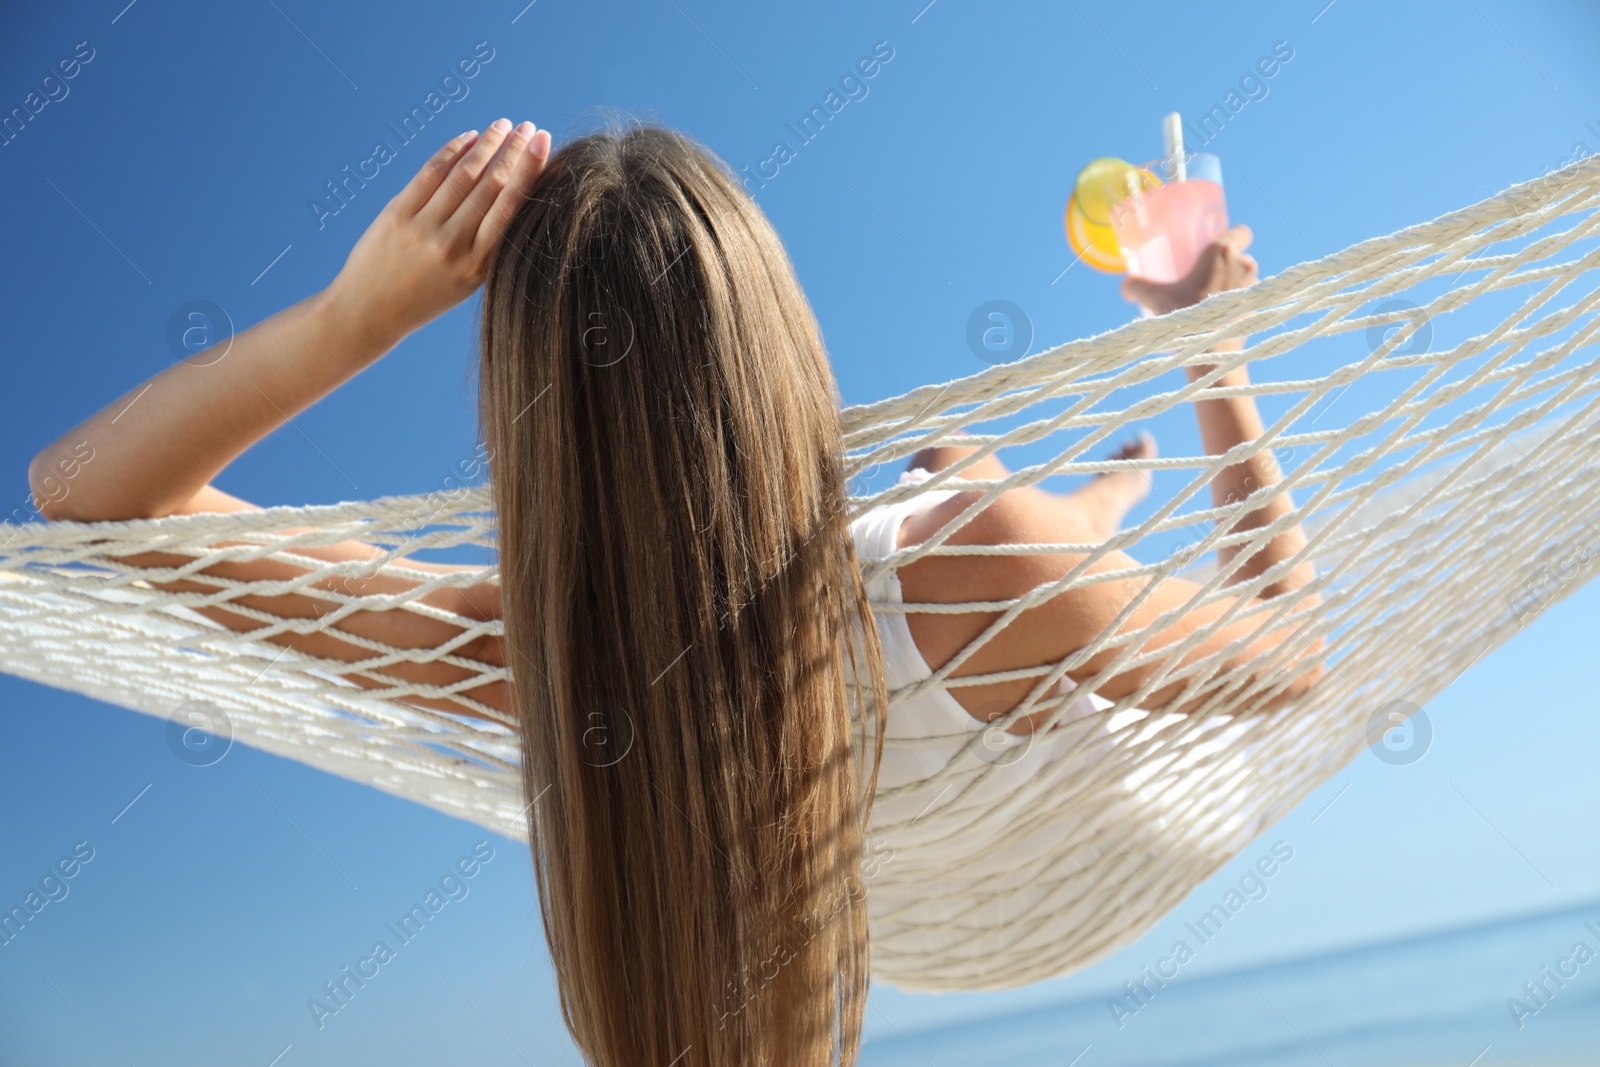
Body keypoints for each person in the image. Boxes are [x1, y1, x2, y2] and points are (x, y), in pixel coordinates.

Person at [28, 118, 1322, 1066]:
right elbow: (1292, 653)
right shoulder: (993, 557)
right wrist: (1214, 359)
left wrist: (355, 318)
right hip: (1097, 766)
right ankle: (1097, 494)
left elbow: (86, 491)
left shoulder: (525, 661)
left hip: (948, 720)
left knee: (977, 505)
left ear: (525, 412)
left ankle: (1095, 494)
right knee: (985, 511)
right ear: (780, 337)